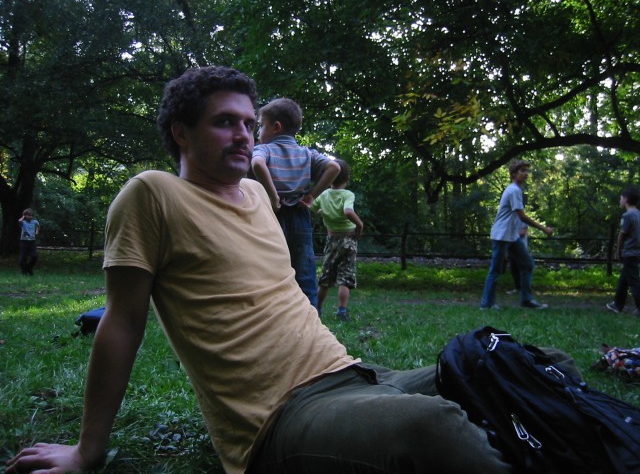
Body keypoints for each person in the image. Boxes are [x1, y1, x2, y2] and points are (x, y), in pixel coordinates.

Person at [7, 66, 513, 474]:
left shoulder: (256, 194)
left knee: (503, 364)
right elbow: (122, 321)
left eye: (249, 123)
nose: (243, 135)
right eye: (225, 122)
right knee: (430, 425)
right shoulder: (153, 194)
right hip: (280, 417)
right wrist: (87, 451)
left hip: (354, 375)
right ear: (181, 132)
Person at [251, 98, 341, 309]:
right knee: (304, 271)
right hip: (301, 216)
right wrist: (312, 196)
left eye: (261, 126)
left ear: (276, 127)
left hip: (272, 215)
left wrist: (273, 196)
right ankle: (311, 316)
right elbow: (334, 168)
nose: (258, 132)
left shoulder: (265, 149)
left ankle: (273, 311)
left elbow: (257, 164)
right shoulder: (306, 153)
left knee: (269, 268)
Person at [480, 159, 553, 310]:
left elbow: (518, 217)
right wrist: (543, 228)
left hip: (512, 236)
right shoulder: (513, 190)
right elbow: (522, 216)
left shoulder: (516, 190)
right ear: (514, 174)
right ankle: (486, 304)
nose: (526, 174)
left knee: (527, 264)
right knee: (496, 270)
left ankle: (527, 300)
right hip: (502, 235)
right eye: (522, 171)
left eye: (527, 171)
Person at [311, 159, 363, 321]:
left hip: (331, 240)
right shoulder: (347, 194)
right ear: (347, 178)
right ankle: (341, 311)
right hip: (348, 240)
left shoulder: (323, 195)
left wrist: (323, 211)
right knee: (345, 278)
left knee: (325, 278)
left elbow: (311, 208)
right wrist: (360, 225)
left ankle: (317, 309)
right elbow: (348, 211)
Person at [606, 185, 640, 316]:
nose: (619, 201)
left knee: (634, 282)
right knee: (624, 279)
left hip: (630, 252)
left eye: (620, 198)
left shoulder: (627, 216)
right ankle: (617, 304)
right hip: (637, 252)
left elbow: (622, 235)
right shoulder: (638, 214)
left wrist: (618, 251)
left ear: (625, 199)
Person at [18, 208, 40, 275]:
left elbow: (38, 226)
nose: (31, 217)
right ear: (25, 215)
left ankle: (29, 268)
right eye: (29, 215)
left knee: (34, 256)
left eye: (31, 215)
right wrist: (23, 216)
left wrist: (37, 232)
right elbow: (19, 221)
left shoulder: (35, 222)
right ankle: (24, 271)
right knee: (22, 259)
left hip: (32, 241)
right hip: (24, 241)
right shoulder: (23, 222)